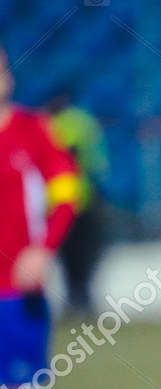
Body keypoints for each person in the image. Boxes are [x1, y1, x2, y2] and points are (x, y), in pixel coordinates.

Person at [0, 43, 80, 389]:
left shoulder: (34, 132)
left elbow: (66, 191)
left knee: (20, 388)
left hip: (15, 289)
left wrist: (43, 247)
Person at [47, 92, 110, 314]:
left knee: (72, 254)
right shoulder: (84, 120)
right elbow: (96, 162)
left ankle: (77, 298)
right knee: (83, 253)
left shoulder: (54, 123)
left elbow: (68, 156)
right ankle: (81, 298)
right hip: (83, 197)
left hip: (66, 200)